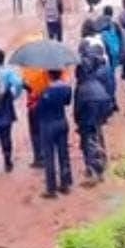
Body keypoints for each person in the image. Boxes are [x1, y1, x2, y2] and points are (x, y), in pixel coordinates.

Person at [75, 55, 113, 186]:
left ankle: (94, 171)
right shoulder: (96, 81)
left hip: (88, 116)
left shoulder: (81, 87)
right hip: (102, 108)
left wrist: (78, 123)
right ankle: (102, 161)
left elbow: (77, 108)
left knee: (88, 142)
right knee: (98, 135)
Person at [37, 69, 73, 198]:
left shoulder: (45, 92)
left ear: (49, 75)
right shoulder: (67, 89)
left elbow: (39, 110)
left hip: (48, 124)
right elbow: (67, 102)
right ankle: (65, 184)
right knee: (64, 154)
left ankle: (51, 189)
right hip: (62, 122)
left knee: (49, 156)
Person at [21, 67, 51, 169]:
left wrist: (26, 86)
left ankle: (38, 158)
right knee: (45, 131)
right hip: (46, 105)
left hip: (34, 106)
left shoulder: (28, 71)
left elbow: (24, 84)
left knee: (35, 133)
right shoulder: (48, 69)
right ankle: (46, 156)